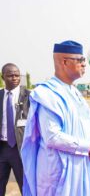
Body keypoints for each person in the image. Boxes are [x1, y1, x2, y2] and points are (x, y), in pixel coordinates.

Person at [21, 40, 90, 196]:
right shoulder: (47, 94)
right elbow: (52, 137)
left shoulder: (76, 93)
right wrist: (88, 147)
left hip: (81, 166)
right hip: (59, 170)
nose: (84, 64)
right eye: (80, 60)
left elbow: (85, 126)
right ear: (65, 62)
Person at [0, 63, 30, 196]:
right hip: (2, 148)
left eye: (17, 75)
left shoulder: (29, 96)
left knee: (25, 185)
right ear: (3, 77)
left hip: (21, 149)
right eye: (10, 75)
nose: (14, 78)